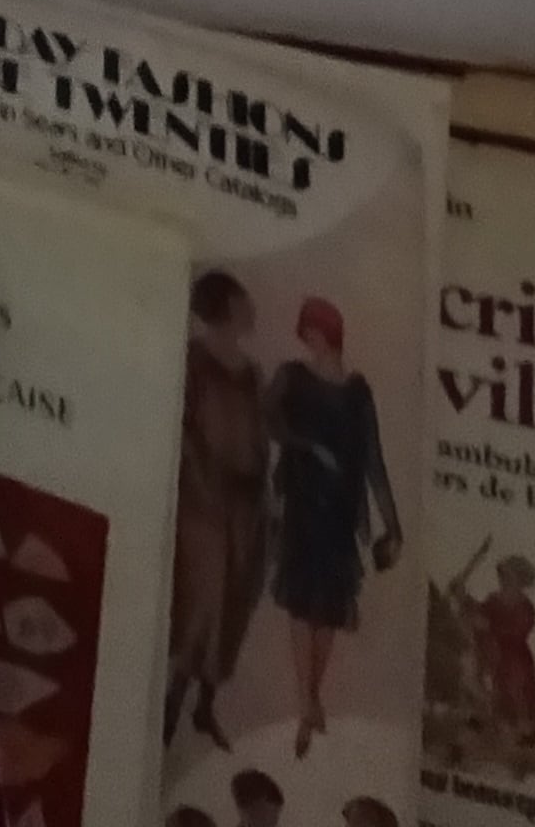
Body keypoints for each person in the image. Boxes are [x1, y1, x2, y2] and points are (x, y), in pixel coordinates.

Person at [267, 294, 405, 752]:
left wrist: (393, 525)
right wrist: (307, 446)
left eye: (311, 331)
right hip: (302, 504)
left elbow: (374, 462)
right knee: (300, 602)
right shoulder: (293, 377)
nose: (307, 339)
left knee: (328, 607)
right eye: (304, 333)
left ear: (326, 333)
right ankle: (307, 703)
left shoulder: (358, 392)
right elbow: (268, 419)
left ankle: (310, 699)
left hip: (340, 513)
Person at [166, 267, 272, 744]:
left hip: (246, 505)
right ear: (226, 307)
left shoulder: (252, 372)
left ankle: (204, 708)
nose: (251, 309)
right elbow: (184, 427)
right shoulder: (193, 359)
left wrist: (264, 493)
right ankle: (170, 705)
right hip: (203, 501)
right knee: (201, 606)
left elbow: (260, 437)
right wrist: (203, 480)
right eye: (243, 301)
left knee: (235, 604)